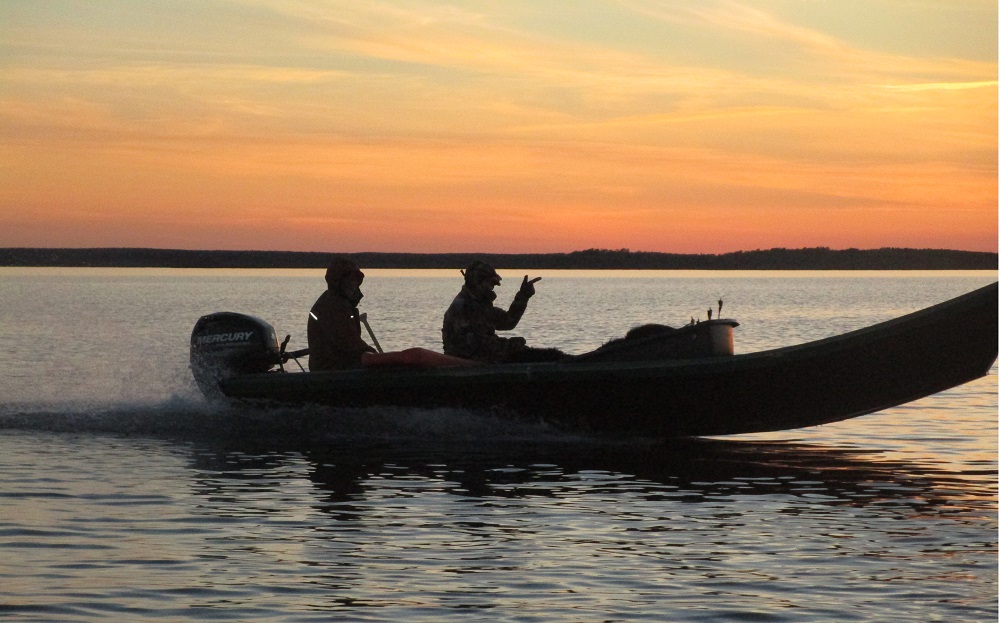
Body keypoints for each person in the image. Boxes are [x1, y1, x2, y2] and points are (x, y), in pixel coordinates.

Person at [308, 257, 477, 371]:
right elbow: (351, 346)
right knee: (414, 357)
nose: (354, 284)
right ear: (339, 281)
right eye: (350, 280)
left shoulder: (341, 304)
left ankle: (471, 367)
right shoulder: (333, 306)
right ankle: (473, 367)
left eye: (356, 280)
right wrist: (376, 356)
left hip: (346, 365)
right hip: (336, 371)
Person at [442, 260, 566, 364]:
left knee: (550, 355)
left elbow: (507, 322)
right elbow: (479, 346)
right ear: (478, 281)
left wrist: (523, 296)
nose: (492, 288)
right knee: (547, 357)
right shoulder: (465, 307)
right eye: (490, 284)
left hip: (487, 360)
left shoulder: (480, 305)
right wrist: (514, 345)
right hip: (472, 364)